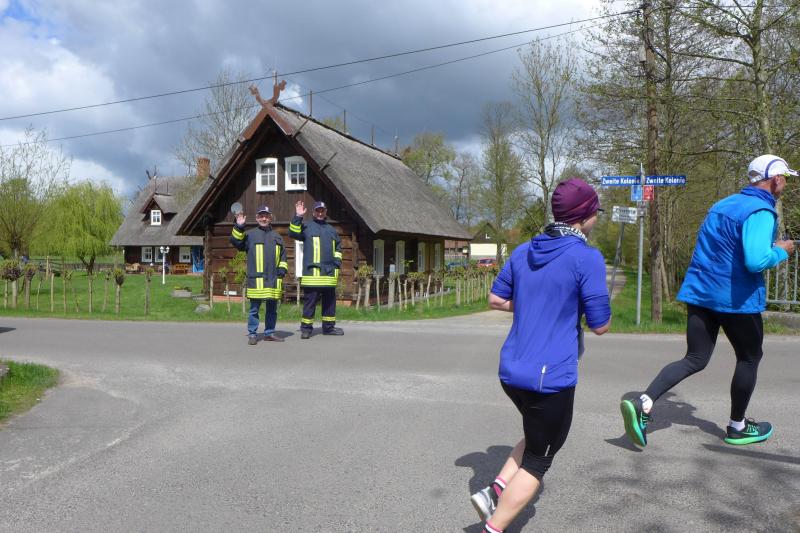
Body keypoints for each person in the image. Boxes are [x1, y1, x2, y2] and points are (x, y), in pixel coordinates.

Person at [620, 154, 797, 449]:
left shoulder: (722, 205)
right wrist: (781, 250)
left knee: (695, 358)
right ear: (776, 179)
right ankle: (737, 428)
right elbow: (755, 260)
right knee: (750, 357)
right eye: (786, 178)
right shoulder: (761, 210)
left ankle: (644, 402)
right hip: (735, 300)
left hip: (701, 294)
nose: (786, 184)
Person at [471, 178, 611, 532]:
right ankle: (492, 527)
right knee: (539, 459)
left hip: (511, 371)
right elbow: (601, 325)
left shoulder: (523, 250)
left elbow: (496, 299)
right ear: (584, 216)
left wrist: (535, 305)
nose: (596, 218)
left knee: (537, 434)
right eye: (595, 213)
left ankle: (494, 491)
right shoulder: (587, 258)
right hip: (550, 378)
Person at [230, 205, 288, 345]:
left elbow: (283, 256)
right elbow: (237, 243)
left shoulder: (277, 237)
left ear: (270, 218)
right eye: (261, 216)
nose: (264, 218)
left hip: (273, 280)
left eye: (266, 216)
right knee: (254, 310)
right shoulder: (249, 235)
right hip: (256, 280)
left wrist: (282, 270)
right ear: (257, 218)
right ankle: (252, 334)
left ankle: (269, 333)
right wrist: (239, 226)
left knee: (272, 310)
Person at [289, 200, 343, 339]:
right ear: (313, 212)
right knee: (310, 303)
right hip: (311, 276)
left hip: (329, 275)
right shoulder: (306, 227)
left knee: (329, 304)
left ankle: (328, 328)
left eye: (322, 211)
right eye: (317, 211)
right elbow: (293, 233)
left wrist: (336, 264)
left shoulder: (332, 230)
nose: (320, 213)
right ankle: (306, 329)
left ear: (325, 212)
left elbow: (338, 249)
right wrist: (298, 216)